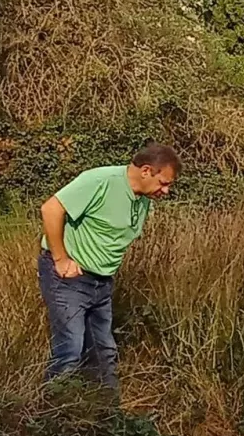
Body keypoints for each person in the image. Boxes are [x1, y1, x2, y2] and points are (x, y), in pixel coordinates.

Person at [38, 144, 180, 393]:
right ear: (146, 171)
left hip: (101, 282)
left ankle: (107, 418)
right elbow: (51, 209)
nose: (166, 191)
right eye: (163, 182)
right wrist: (61, 259)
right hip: (69, 278)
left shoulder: (143, 198)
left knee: (104, 352)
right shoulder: (100, 180)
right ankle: (51, 417)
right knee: (70, 348)